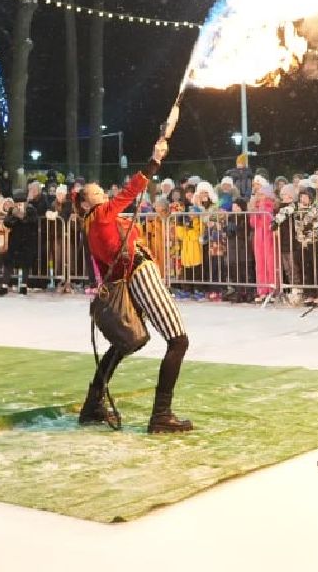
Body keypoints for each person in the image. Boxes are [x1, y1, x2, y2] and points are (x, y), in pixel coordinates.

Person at [77, 136, 193, 434]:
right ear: (85, 203)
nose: (103, 193)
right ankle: (161, 414)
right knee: (178, 341)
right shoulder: (101, 215)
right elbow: (130, 191)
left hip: (131, 278)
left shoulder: (92, 226)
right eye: (96, 192)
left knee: (122, 345)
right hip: (140, 272)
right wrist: (154, 161)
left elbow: (104, 267)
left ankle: (92, 403)